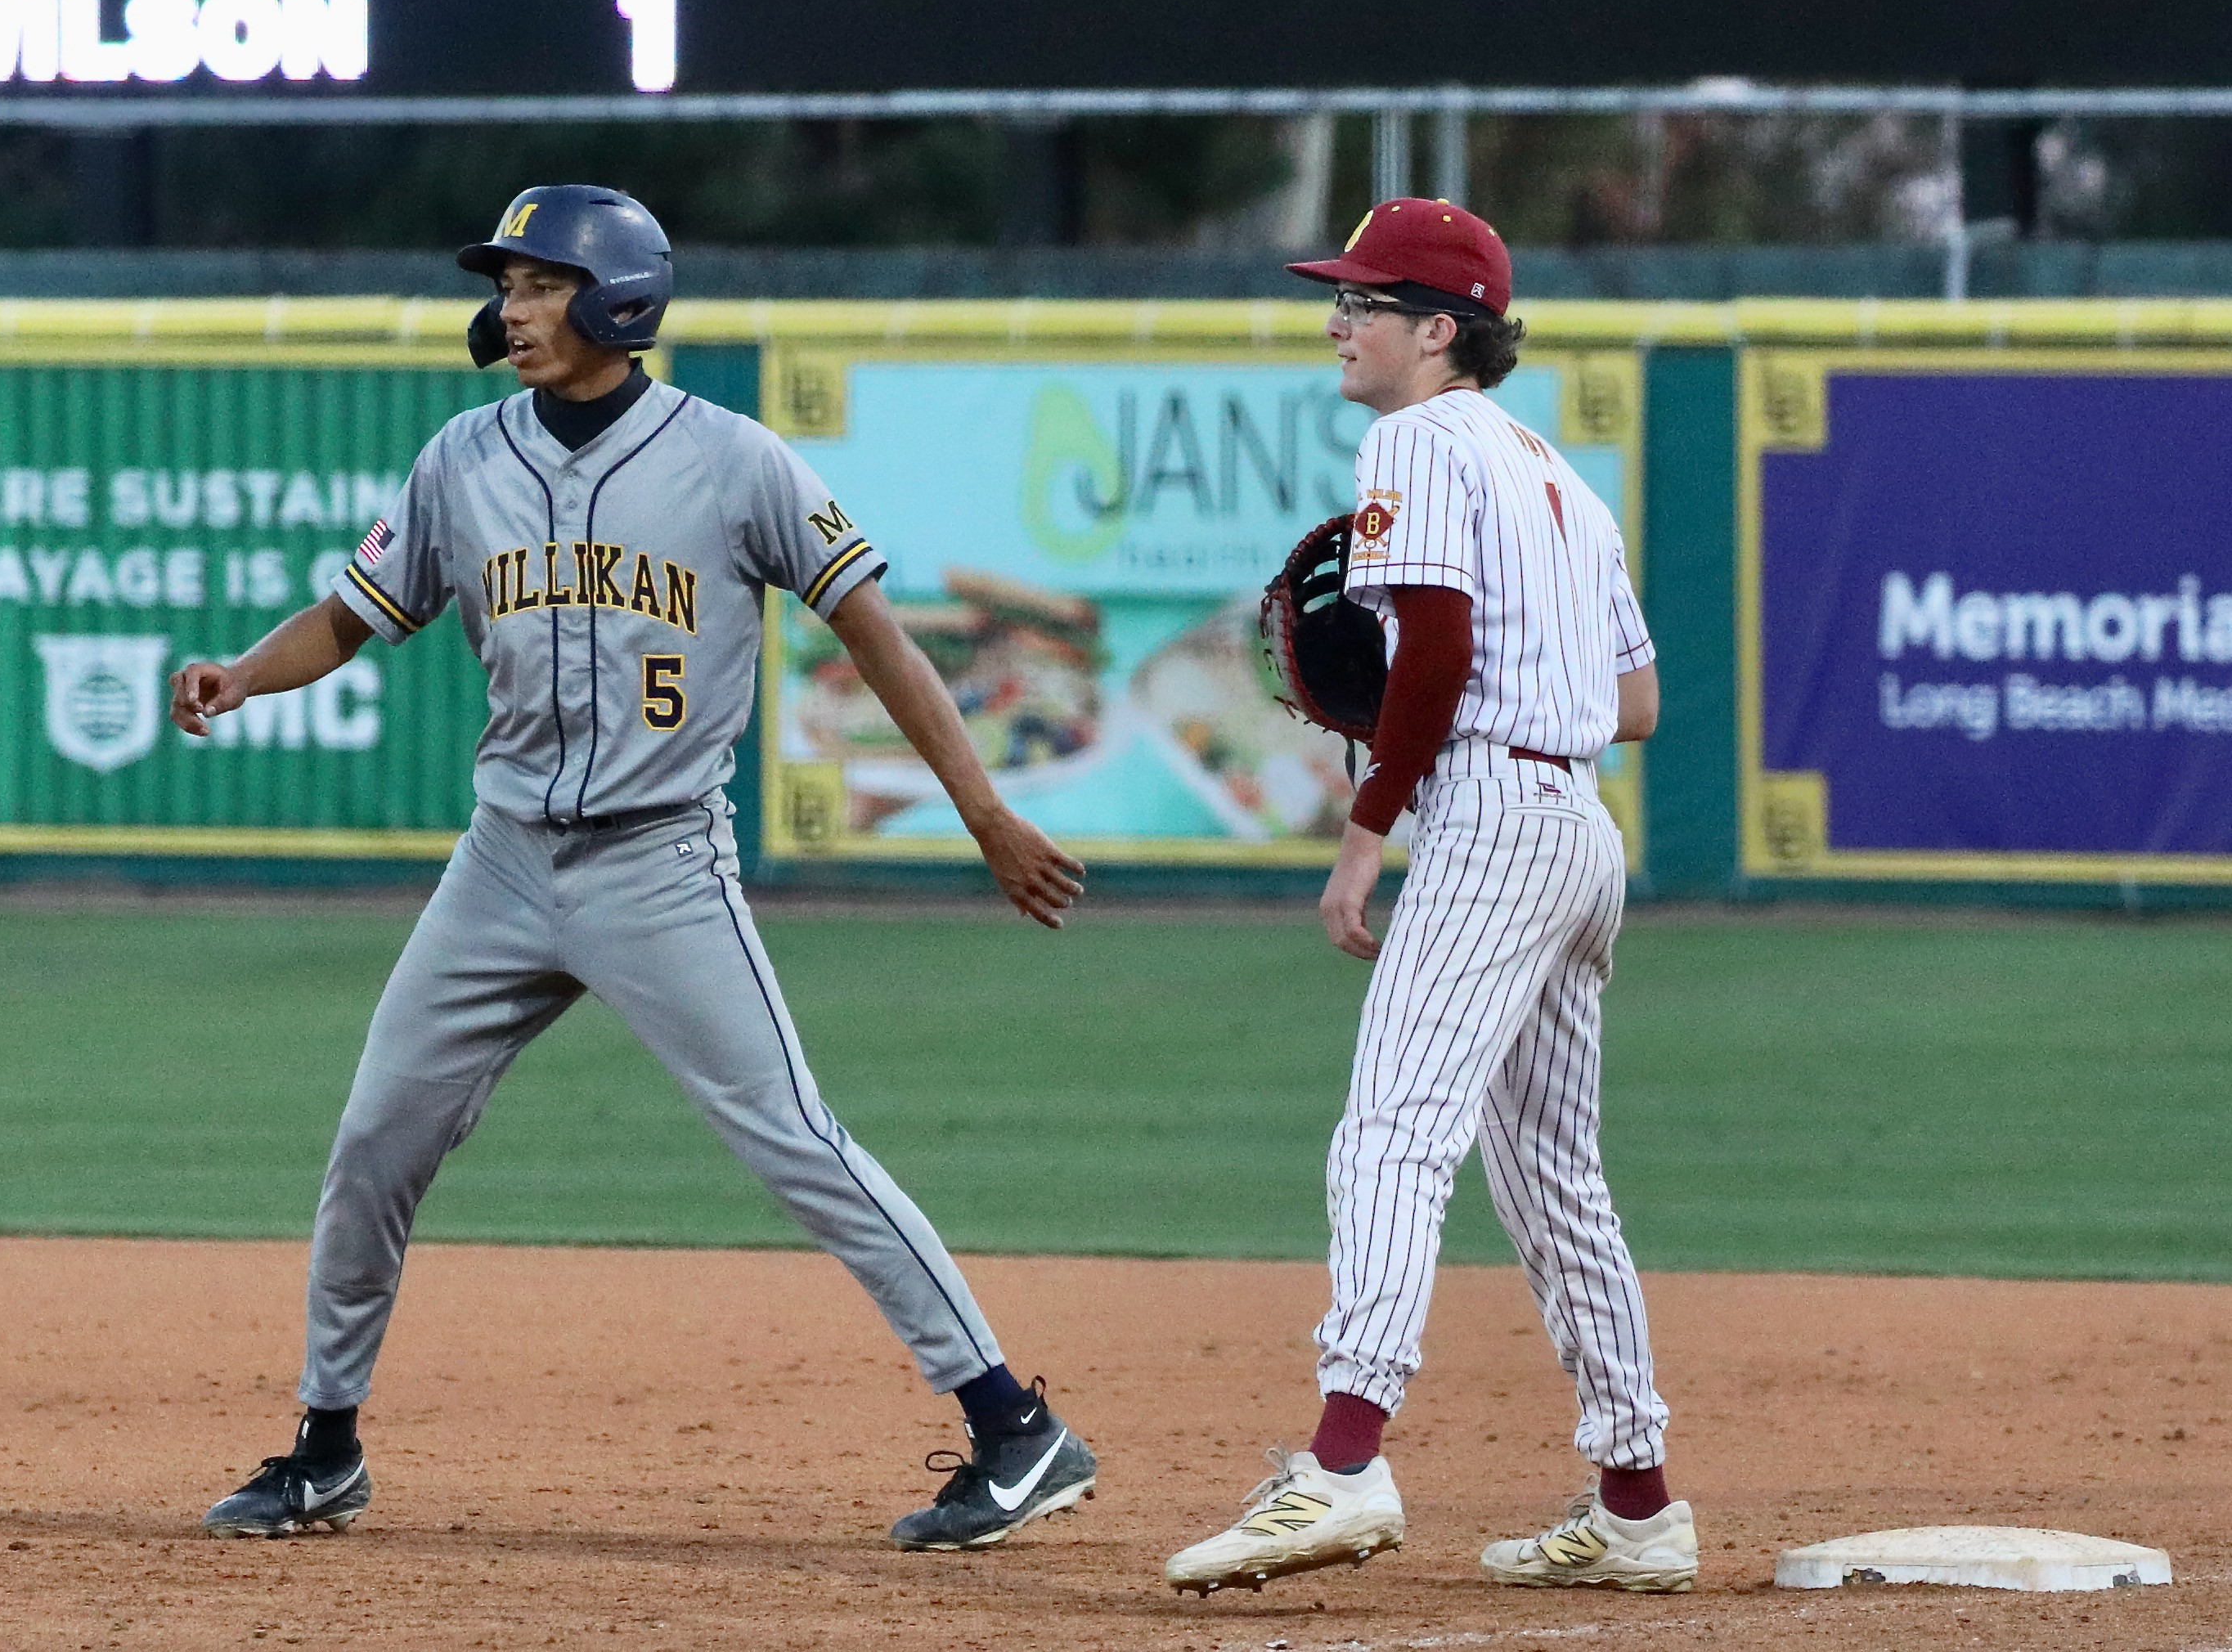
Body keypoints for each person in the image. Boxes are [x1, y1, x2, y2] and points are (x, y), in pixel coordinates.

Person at [176, 185, 1098, 1553]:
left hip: (659, 864)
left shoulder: (736, 462)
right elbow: (353, 612)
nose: (514, 308)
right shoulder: (461, 457)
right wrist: (245, 674)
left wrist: (983, 814)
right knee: (375, 1140)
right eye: (508, 285)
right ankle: (324, 1450)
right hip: (498, 865)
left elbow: (879, 637)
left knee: (794, 1137)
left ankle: (1015, 1428)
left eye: (542, 283)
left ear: (620, 300)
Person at [1165, 200, 1695, 1596]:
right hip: (1575, 828)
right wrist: (1513, 699)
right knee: (1551, 1178)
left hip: (1490, 824)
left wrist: (1363, 828)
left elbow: (1442, 643)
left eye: (1363, 301)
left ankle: (1338, 1468)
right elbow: (1634, 703)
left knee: (1394, 1132)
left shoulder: (1410, 438)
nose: (1338, 320)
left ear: (1438, 329)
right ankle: (1635, 1501)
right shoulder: (1560, 480)